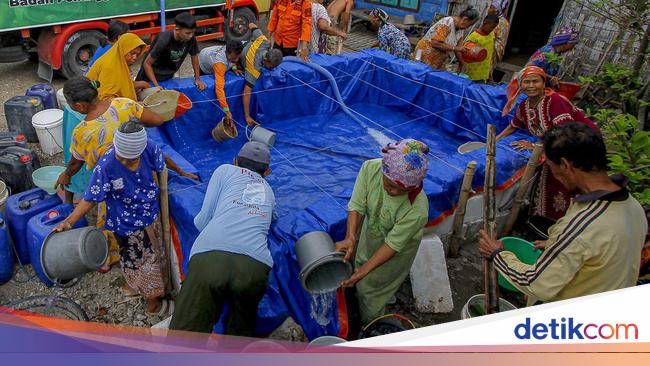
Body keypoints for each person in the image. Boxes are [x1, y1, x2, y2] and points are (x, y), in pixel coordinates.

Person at [480, 123, 647, 306]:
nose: (554, 174)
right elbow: (605, 253)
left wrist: (497, 253)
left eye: (551, 166)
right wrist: (556, 244)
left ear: (565, 165)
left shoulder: (585, 226)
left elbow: (536, 284)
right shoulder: (632, 206)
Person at [56, 77, 197, 272]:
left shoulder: (83, 134)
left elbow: (78, 170)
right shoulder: (123, 104)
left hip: (115, 190)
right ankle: (149, 254)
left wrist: (66, 177)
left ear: (79, 106)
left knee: (111, 223)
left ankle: (109, 258)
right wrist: (182, 172)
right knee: (145, 231)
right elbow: (157, 121)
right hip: (144, 183)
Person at [55, 122, 175, 317]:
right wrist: (69, 220)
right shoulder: (106, 165)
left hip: (149, 217)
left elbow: (163, 166)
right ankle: (152, 303)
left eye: (131, 160)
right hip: (125, 225)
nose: (126, 163)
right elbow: (90, 199)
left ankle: (135, 286)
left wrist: (184, 173)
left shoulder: (150, 148)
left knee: (147, 259)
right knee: (140, 262)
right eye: (123, 159)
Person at [170, 141, 275, 335]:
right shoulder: (268, 191)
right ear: (267, 172)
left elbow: (202, 221)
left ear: (235, 161)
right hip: (254, 267)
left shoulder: (225, 170)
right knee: (239, 336)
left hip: (210, 259)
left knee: (186, 334)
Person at [336, 139, 429, 325]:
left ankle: (371, 324)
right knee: (360, 270)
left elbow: (392, 244)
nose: (390, 190)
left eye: (397, 189)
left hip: (393, 257)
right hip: (370, 238)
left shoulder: (417, 209)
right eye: (387, 183)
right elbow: (357, 204)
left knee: (373, 292)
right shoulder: (370, 169)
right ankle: (362, 298)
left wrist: (363, 272)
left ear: (412, 187)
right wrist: (351, 237)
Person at [497, 65, 598, 221]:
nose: (531, 86)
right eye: (526, 82)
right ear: (521, 86)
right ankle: (547, 220)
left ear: (544, 83)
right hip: (556, 148)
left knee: (569, 182)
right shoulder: (525, 106)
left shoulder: (555, 101)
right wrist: (494, 141)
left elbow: (567, 133)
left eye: (535, 81)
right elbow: (514, 125)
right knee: (548, 178)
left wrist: (534, 146)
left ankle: (569, 222)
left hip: (578, 145)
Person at [136, 12, 207, 91]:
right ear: (177, 30)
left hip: (167, 76)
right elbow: (147, 64)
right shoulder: (164, 40)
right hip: (149, 77)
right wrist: (156, 86)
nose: (190, 36)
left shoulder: (191, 39)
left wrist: (197, 79)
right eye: (187, 33)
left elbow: (194, 56)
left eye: (193, 32)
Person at [242, 23, 284, 127]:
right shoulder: (254, 70)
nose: (271, 69)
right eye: (270, 67)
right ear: (266, 61)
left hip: (244, 43)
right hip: (239, 56)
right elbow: (246, 93)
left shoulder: (264, 41)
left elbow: (251, 24)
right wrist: (247, 116)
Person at [86, 33, 149, 101]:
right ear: (123, 50)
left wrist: (144, 84)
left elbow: (124, 83)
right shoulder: (110, 67)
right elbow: (105, 99)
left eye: (137, 54)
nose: (135, 58)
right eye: (132, 53)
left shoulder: (121, 61)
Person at [414, 6, 480, 71]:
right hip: (425, 54)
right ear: (465, 19)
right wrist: (455, 48)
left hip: (438, 59)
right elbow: (435, 43)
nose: (467, 27)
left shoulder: (460, 29)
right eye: (469, 25)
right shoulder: (447, 22)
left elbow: (459, 48)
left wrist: (461, 63)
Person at [198, 41, 245, 125]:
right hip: (203, 62)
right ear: (227, 52)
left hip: (211, 53)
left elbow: (233, 61)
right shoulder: (220, 63)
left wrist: (234, 68)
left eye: (238, 57)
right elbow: (219, 89)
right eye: (234, 58)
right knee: (203, 91)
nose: (237, 60)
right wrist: (226, 110)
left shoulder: (234, 47)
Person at [464, 13, 499, 83]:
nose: (492, 30)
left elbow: (490, 54)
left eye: (494, 28)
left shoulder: (492, 34)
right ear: (485, 23)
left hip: (484, 74)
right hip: (472, 74)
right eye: (491, 27)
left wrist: (490, 73)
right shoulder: (474, 37)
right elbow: (465, 52)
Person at [488, 1, 510, 75]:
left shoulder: (497, 21)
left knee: (487, 68)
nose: (489, 9)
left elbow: (489, 36)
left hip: (494, 48)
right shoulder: (505, 21)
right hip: (499, 49)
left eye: (491, 7)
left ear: (496, 10)